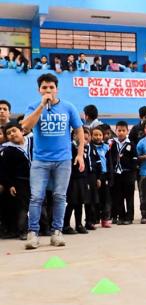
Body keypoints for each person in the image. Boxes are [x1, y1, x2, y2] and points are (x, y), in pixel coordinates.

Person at [21, 73, 84, 249]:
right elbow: (25, 127)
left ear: (57, 89)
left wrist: (79, 154)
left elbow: (79, 131)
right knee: (36, 197)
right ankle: (33, 233)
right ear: (39, 89)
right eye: (44, 87)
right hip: (40, 161)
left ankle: (57, 232)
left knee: (59, 196)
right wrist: (41, 105)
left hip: (63, 160)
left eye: (51, 87)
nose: (48, 90)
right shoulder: (34, 106)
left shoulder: (68, 107)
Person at [0, 122, 33, 239]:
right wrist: (10, 185)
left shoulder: (33, 143)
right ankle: (23, 231)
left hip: (36, 180)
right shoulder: (8, 150)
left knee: (39, 204)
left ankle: (43, 228)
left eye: (14, 131)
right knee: (23, 208)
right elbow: (5, 171)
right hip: (20, 182)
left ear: (22, 131)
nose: (12, 134)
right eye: (8, 133)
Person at [63, 127, 91, 234]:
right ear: (74, 135)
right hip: (72, 178)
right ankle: (65, 225)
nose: (83, 138)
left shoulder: (84, 148)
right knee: (71, 202)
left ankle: (79, 224)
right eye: (81, 135)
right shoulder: (70, 147)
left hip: (82, 178)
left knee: (80, 202)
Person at [108, 121, 137, 224]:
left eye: (123, 130)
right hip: (117, 175)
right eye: (119, 130)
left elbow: (135, 158)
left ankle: (129, 217)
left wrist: (130, 168)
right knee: (118, 196)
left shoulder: (131, 144)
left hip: (128, 174)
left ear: (127, 131)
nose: (121, 132)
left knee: (129, 196)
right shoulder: (112, 144)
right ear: (115, 131)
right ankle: (121, 216)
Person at [90, 125, 112, 227]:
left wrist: (110, 176)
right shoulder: (90, 147)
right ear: (91, 136)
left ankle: (105, 219)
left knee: (105, 198)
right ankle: (94, 219)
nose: (98, 137)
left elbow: (110, 163)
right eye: (95, 135)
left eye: (100, 135)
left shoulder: (106, 148)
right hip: (94, 176)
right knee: (94, 199)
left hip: (105, 175)